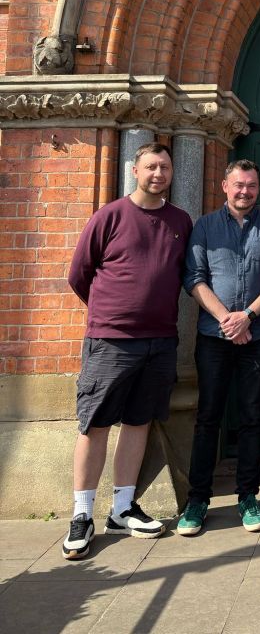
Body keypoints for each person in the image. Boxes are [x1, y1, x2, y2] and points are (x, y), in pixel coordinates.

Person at [64, 142, 193, 560]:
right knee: (95, 423)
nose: (159, 173)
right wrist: (112, 313)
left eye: (165, 167)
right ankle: (81, 514)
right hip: (111, 341)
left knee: (139, 422)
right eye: (151, 166)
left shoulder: (180, 221)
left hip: (160, 340)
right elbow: (79, 274)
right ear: (135, 169)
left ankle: (122, 508)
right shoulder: (111, 216)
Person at [177, 160, 260, 536]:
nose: (245, 191)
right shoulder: (205, 227)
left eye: (252, 186)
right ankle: (197, 500)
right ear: (225, 185)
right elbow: (194, 277)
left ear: (259, 188)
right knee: (208, 417)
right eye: (239, 185)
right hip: (214, 338)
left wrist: (249, 317)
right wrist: (228, 318)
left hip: (255, 339)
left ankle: (248, 496)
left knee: (251, 417)